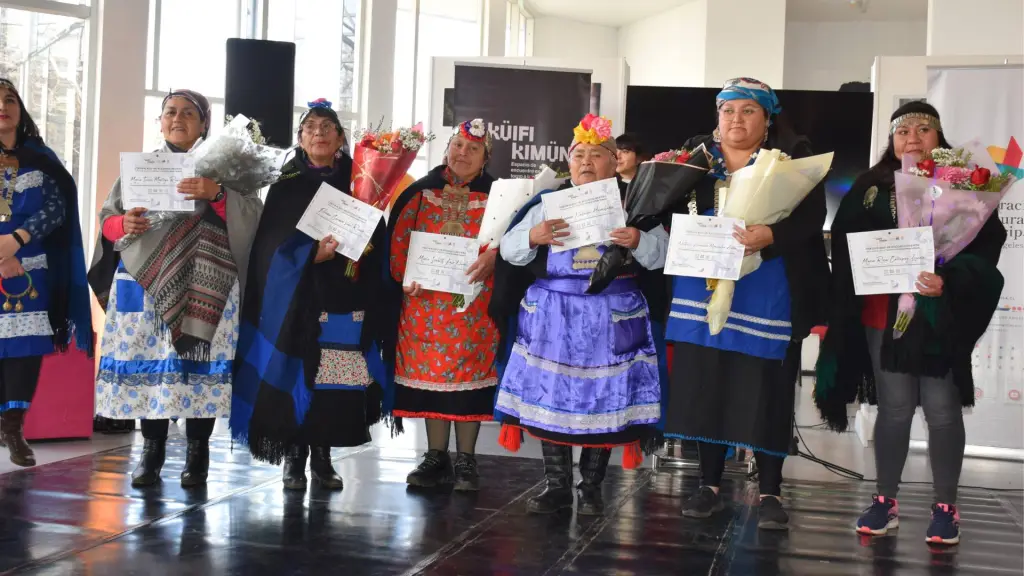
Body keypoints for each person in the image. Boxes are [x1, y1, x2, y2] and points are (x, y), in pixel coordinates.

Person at [815, 102, 1006, 546]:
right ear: (892, 140)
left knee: (942, 409)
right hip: (883, 315)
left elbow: (986, 247)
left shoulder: (966, 182)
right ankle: (885, 500)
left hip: (939, 315)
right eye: (903, 131)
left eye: (923, 129)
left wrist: (948, 280)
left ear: (939, 136)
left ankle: (946, 507)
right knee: (895, 408)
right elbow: (845, 243)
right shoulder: (870, 185)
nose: (913, 138)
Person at [661, 78, 829, 530]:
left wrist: (772, 234)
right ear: (717, 116)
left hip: (766, 286)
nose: (737, 118)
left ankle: (770, 490)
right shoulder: (692, 158)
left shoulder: (787, 161)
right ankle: (709, 485)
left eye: (748, 110)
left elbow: (811, 217)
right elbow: (663, 210)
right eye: (728, 109)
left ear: (767, 119)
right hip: (700, 284)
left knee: (765, 389)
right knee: (707, 384)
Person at [490, 114, 667, 516]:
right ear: (568, 162)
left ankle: (591, 487)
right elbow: (509, 250)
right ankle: (556, 487)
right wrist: (533, 236)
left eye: (597, 154)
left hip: (612, 315)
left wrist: (638, 240)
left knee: (603, 398)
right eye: (579, 155)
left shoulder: (636, 204)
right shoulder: (546, 203)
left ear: (615, 161)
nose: (586, 162)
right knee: (550, 395)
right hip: (554, 315)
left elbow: (662, 256)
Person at [89, 89, 263, 488]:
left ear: (204, 123)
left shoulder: (227, 170)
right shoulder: (140, 168)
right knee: (152, 364)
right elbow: (108, 221)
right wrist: (123, 224)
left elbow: (253, 218)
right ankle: (151, 451)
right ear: (160, 121)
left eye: (188, 113)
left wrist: (216, 194)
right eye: (170, 112)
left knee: (199, 365)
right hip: (145, 284)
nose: (177, 119)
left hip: (208, 283)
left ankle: (198, 453)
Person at [230, 100, 385, 491]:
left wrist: (362, 247)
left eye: (327, 126)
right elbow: (269, 245)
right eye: (311, 127)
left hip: (342, 295)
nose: (319, 133)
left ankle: (323, 458)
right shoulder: (286, 183)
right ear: (300, 138)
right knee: (296, 372)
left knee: (331, 382)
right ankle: (293, 458)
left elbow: (375, 235)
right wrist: (308, 255)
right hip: (296, 299)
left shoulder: (360, 181)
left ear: (340, 137)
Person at [383, 119, 499, 492]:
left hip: (475, 307)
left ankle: (466, 459)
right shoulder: (419, 192)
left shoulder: (500, 198)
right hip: (424, 307)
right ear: (447, 148)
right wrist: (404, 277)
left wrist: (494, 259)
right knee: (431, 381)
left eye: (473, 148)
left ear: (485, 157)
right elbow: (399, 241)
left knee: (468, 380)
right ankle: (436, 456)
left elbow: (510, 245)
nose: (463, 153)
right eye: (458, 145)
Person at [0, 79, 92, 467]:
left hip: (30, 266)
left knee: (23, 350)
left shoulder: (42, 157)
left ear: (21, 109)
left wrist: (17, 240)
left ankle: (12, 429)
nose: (3, 106)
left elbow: (57, 207)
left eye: (9, 100)